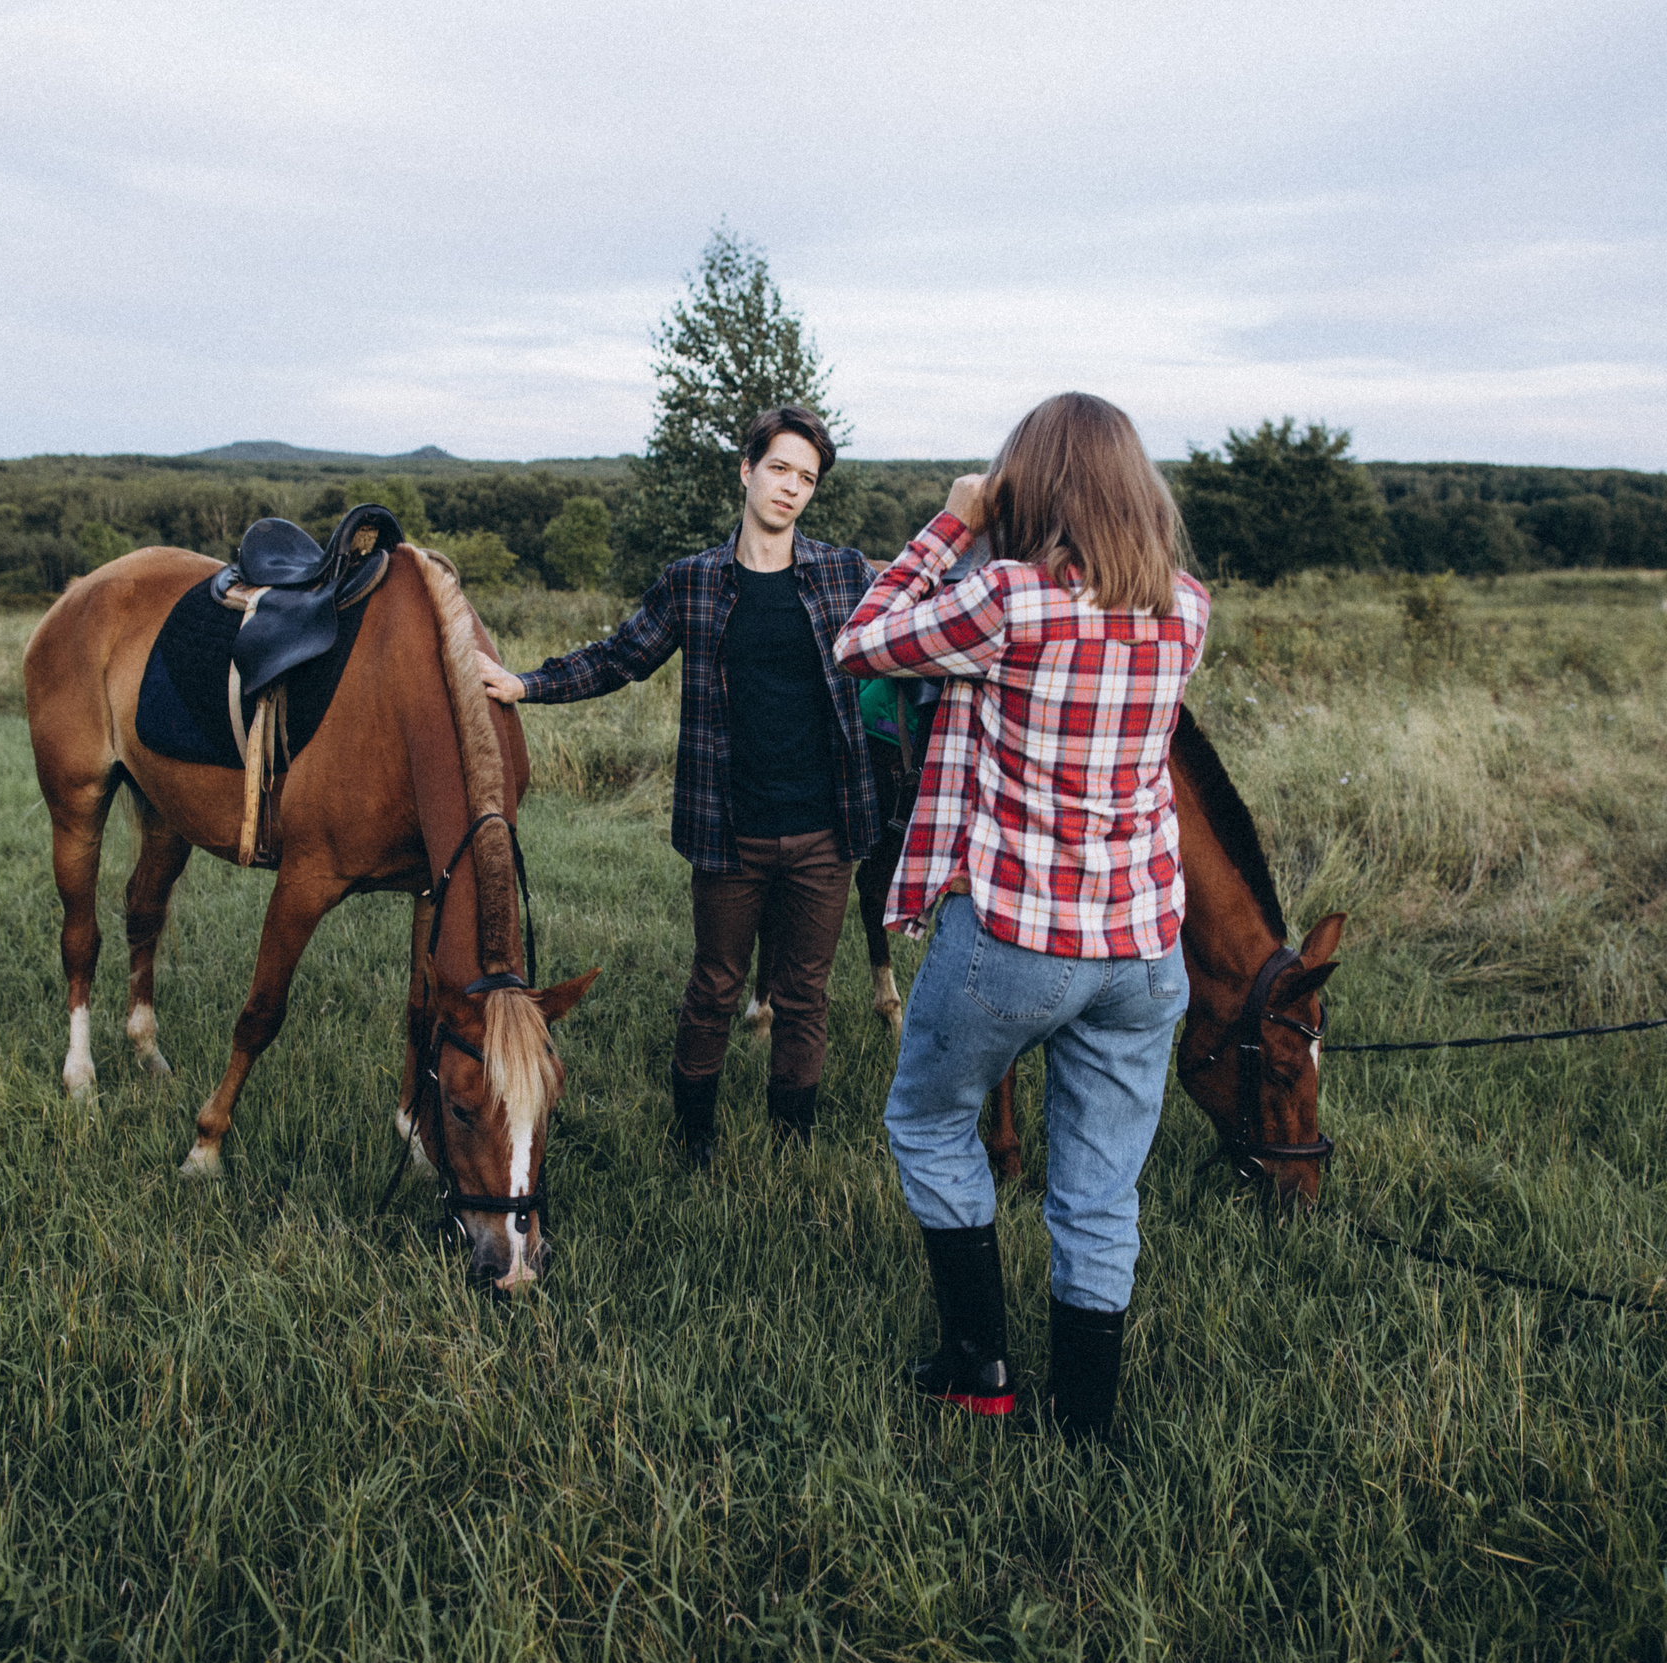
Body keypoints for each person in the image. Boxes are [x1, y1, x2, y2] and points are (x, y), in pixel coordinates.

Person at [833, 392, 1210, 1445]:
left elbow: (858, 642)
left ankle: (977, 1365)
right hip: (1143, 948)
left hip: (1018, 938)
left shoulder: (1005, 600)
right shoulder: (1188, 606)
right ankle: (1085, 1422)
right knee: (1099, 1188)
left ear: (1027, 487)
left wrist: (953, 521)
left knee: (926, 1118)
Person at [477, 405, 879, 1167]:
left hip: (827, 830)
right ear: (747, 469)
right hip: (729, 830)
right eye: (780, 469)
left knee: (805, 994)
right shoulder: (694, 582)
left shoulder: (843, 573)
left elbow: (924, 612)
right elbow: (618, 656)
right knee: (716, 987)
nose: (792, 488)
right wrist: (525, 684)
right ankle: (693, 1139)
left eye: (807, 478)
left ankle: (792, 1144)